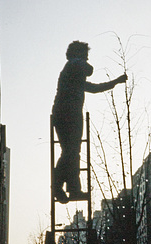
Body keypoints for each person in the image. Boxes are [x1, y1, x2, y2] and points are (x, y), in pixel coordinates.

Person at [52, 40, 127, 203]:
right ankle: (59, 186)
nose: (86, 59)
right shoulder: (73, 65)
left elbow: (94, 88)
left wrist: (115, 82)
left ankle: (71, 188)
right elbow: (89, 70)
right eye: (85, 55)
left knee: (71, 152)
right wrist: (82, 61)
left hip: (65, 113)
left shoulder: (73, 76)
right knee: (70, 152)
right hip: (68, 113)